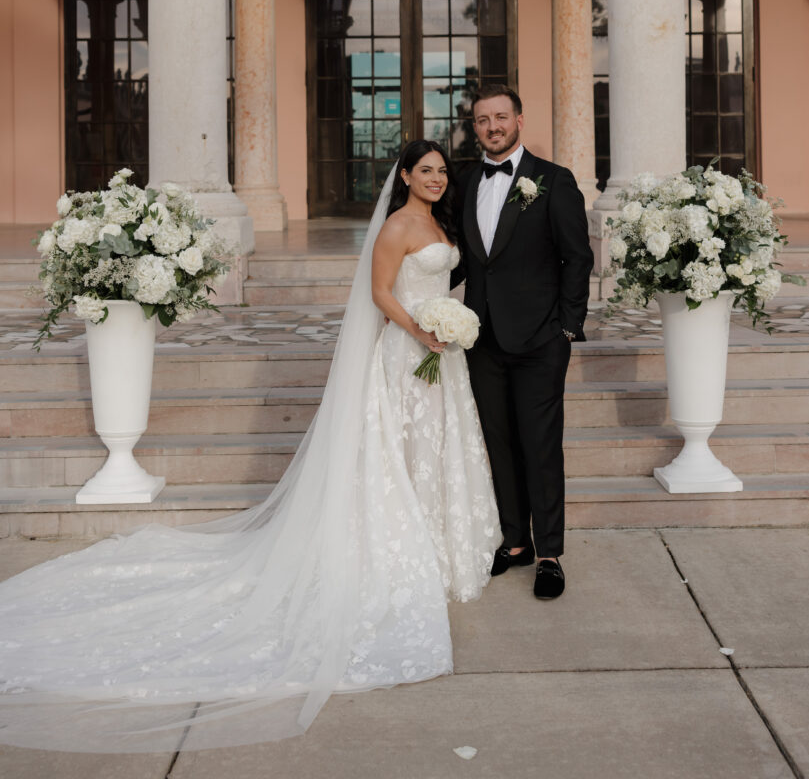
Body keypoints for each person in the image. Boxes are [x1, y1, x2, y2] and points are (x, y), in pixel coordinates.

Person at [0, 140, 499, 753]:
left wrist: (452, 325)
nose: (436, 179)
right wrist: (423, 329)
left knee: (435, 447)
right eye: (425, 171)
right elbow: (380, 294)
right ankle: (402, 545)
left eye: (442, 171)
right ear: (404, 176)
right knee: (400, 449)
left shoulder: (441, 222)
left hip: (441, 360)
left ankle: (441, 542)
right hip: (406, 353)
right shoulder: (397, 225)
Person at [454, 84, 594, 600]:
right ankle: (515, 542)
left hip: (540, 339)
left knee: (539, 445)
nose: (492, 127)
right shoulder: (466, 181)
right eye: (482, 120)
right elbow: (463, 258)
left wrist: (566, 326)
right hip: (481, 338)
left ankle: (550, 552)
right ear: (475, 128)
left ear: (519, 120)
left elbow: (577, 257)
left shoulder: (553, 181)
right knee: (499, 441)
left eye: (501, 117)